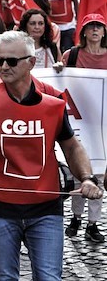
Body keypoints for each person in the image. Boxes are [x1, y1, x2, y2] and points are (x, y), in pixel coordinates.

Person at [0, 30, 103, 281]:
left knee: (49, 277)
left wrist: (87, 178)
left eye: (11, 61)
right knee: (4, 277)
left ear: (31, 62)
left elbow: (71, 146)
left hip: (45, 207)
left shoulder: (54, 99)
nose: (3, 67)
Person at [63, 13, 107, 243]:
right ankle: (76, 217)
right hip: (78, 125)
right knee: (79, 172)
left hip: (102, 127)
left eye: (99, 27)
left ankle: (93, 223)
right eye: (91, 27)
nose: (95, 31)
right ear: (83, 32)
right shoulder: (72, 55)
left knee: (97, 174)